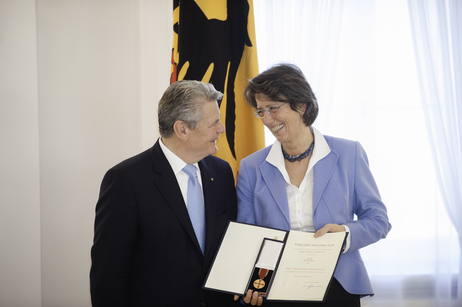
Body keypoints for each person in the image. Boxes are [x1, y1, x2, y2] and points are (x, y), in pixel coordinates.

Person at [233, 64, 391, 307]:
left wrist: (345, 234)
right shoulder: (251, 167)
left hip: (338, 283)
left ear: (301, 106)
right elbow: (248, 236)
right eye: (261, 111)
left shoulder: (349, 153)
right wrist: (250, 284)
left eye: (273, 108)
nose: (266, 119)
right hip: (276, 288)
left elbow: (378, 220)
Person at [90, 80, 238, 307]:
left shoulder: (221, 172)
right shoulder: (126, 180)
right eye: (214, 123)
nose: (222, 129)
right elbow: (109, 275)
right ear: (182, 129)